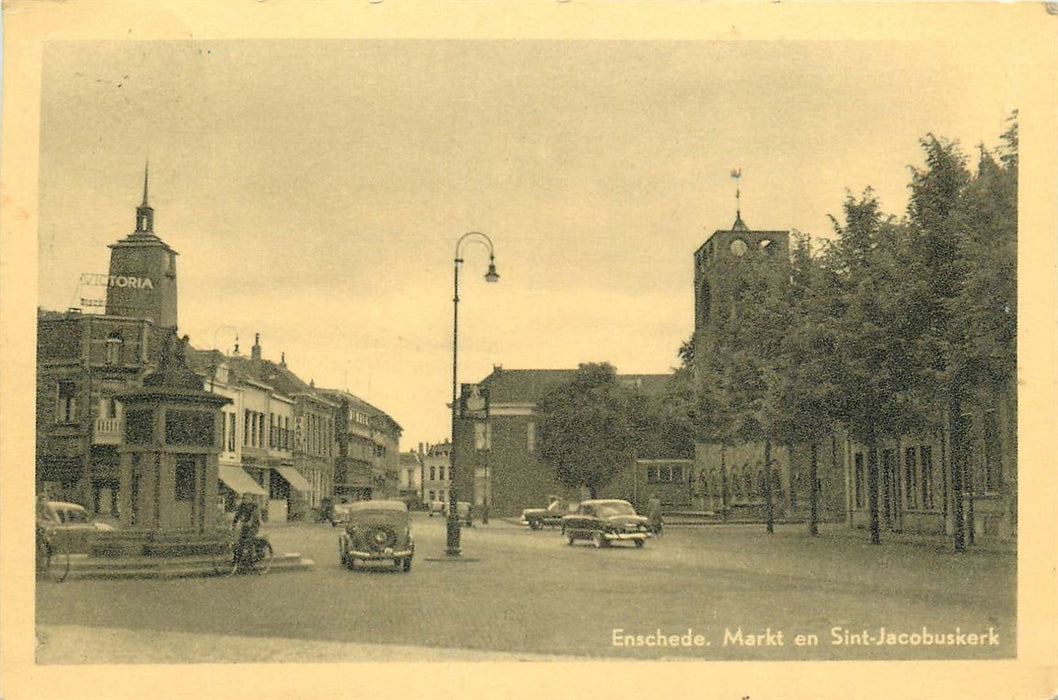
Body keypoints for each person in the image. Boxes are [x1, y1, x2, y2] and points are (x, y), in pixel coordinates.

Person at [231, 493, 262, 567]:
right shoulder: (242, 506)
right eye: (244, 499)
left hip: (254, 526)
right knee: (240, 541)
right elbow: (237, 515)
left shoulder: (254, 506)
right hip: (245, 525)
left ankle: (253, 557)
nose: (245, 500)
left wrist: (250, 522)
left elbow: (254, 516)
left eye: (247, 498)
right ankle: (237, 560)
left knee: (249, 539)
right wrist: (234, 524)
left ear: (250, 499)